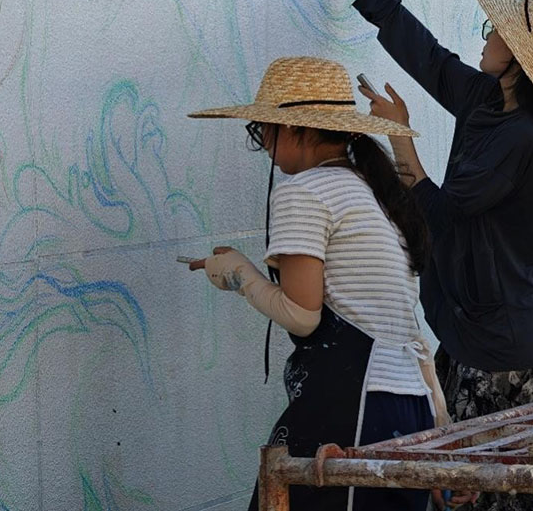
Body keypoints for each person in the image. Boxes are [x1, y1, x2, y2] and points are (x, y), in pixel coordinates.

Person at [338, 0, 533, 511]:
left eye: (497, 31)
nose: (487, 36)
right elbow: (430, 60)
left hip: (503, 356)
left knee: (476, 499)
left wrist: (400, 138)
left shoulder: (524, 136)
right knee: (491, 495)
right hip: (493, 335)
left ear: (521, 61)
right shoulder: (491, 98)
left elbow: (443, 215)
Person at [186, 57, 435, 511]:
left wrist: (238, 273)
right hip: (410, 408)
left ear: (293, 128)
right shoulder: (376, 192)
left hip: (354, 410)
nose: (263, 143)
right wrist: (440, 430)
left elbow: (302, 316)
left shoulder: (304, 191)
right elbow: (409, 333)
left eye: (263, 130)